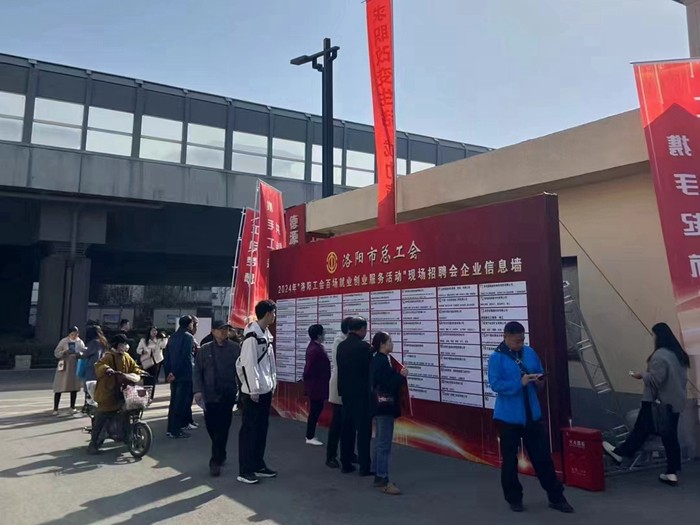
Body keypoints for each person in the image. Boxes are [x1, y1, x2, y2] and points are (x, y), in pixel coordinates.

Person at [488, 321, 574, 514]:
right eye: (516, 341)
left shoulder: (529, 352)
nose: (520, 344)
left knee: (542, 458)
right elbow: (495, 385)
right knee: (510, 462)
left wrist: (539, 380)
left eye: (522, 340)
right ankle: (514, 499)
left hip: (532, 415)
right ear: (506, 337)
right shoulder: (496, 358)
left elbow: (539, 372)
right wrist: (520, 383)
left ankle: (556, 497)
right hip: (508, 418)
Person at [603, 322, 690, 486]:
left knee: (642, 429)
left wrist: (641, 374)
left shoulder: (660, 356)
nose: (653, 338)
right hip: (675, 403)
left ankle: (621, 453)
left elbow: (656, 380)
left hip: (656, 403)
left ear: (659, 336)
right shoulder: (679, 355)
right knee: (666, 436)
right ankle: (672, 472)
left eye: (654, 335)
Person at [236, 300, 278, 485]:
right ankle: (245, 470)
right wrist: (253, 389)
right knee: (249, 431)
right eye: (274, 313)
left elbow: (270, 363)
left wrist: (273, 382)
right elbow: (248, 364)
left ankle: (258, 465)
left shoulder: (266, 335)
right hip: (253, 393)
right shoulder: (251, 337)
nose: (275, 316)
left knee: (261, 430)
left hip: (265, 389)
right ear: (268, 314)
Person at [194, 320, 241, 477]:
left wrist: (242, 391)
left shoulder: (235, 348)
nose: (223, 332)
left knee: (223, 427)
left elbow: (241, 371)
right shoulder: (205, 349)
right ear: (213, 331)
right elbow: (197, 371)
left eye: (226, 329)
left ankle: (215, 460)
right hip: (210, 394)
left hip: (227, 393)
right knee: (211, 426)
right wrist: (198, 390)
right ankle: (220, 451)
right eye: (220, 329)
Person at [87, 334, 143, 454]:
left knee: (127, 413)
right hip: (107, 392)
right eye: (123, 344)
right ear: (117, 345)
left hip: (122, 391)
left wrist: (140, 372)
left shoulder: (126, 356)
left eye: (125, 344)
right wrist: (107, 369)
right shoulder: (109, 356)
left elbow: (134, 368)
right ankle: (93, 444)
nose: (125, 346)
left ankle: (126, 437)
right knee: (101, 418)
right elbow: (99, 365)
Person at [370, 331, 408, 495]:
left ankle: (377, 473)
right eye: (389, 341)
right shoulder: (381, 362)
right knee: (384, 444)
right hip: (385, 406)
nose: (392, 344)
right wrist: (401, 376)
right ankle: (383, 478)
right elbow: (388, 385)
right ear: (382, 344)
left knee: (380, 441)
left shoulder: (379, 360)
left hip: (380, 406)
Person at [337, 316, 374, 476]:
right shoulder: (364, 347)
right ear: (361, 329)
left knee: (347, 429)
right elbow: (370, 370)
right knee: (364, 432)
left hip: (346, 394)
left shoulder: (341, 346)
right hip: (362, 395)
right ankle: (365, 467)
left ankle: (345, 463)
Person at [326, 317, 353, 468]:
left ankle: (349, 453)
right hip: (338, 387)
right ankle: (331, 456)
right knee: (336, 424)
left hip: (348, 388)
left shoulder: (347, 341)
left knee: (349, 424)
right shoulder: (339, 342)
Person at [163, 315, 197, 439]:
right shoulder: (188, 337)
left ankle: (170, 429)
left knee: (173, 403)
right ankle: (176, 430)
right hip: (184, 374)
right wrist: (176, 372)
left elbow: (166, 356)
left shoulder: (172, 337)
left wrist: (169, 373)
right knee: (181, 403)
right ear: (189, 324)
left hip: (173, 375)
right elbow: (185, 357)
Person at [303, 324, 331, 446]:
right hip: (315, 386)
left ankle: (310, 435)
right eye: (323, 333)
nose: (324, 335)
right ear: (319, 335)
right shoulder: (315, 350)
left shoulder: (316, 347)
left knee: (316, 409)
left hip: (318, 384)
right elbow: (308, 369)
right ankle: (309, 436)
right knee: (315, 410)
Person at [52, 326, 86, 415]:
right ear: (69, 334)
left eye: (76, 334)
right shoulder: (64, 341)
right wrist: (64, 352)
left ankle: (72, 407)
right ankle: (55, 408)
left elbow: (84, 352)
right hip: (65, 365)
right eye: (72, 334)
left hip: (75, 365)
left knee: (74, 386)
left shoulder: (80, 342)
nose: (74, 336)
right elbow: (56, 353)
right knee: (59, 386)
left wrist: (80, 354)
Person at [82, 325, 108, 411]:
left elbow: (86, 354)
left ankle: (88, 406)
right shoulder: (103, 341)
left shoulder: (93, 343)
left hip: (91, 367)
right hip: (100, 366)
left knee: (89, 386)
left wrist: (81, 352)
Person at [137, 327, 167, 402]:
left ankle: (151, 396)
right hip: (147, 361)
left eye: (155, 331)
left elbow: (164, 346)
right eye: (153, 331)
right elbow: (138, 350)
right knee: (146, 379)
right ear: (149, 332)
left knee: (153, 379)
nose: (154, 332)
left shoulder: (159, 340)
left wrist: (164, 338)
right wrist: (144, 351)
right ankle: (145, 396)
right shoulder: (144, 340)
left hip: (156, 361)